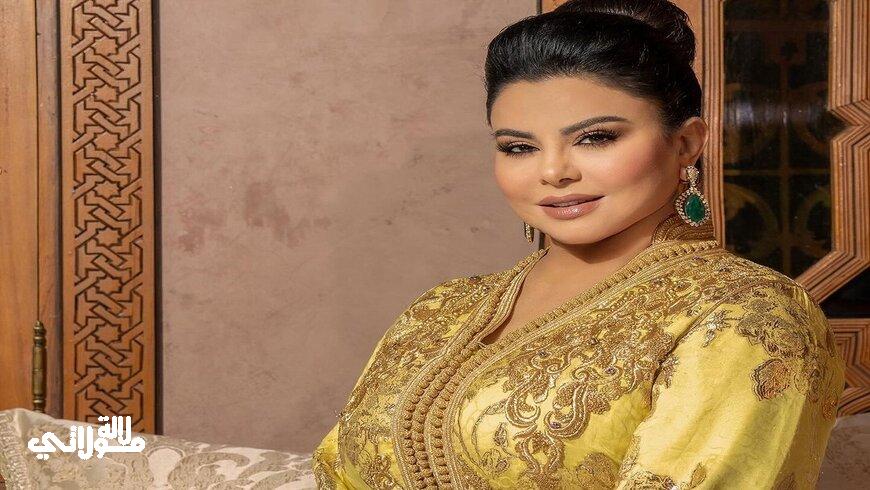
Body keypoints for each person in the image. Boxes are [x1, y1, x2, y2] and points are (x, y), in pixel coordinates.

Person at [311, 0, 846, 488]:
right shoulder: (440, 310)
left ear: (685, 143)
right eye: (518, 147)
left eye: (595, 138)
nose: (553, 171)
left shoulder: (744, 314)